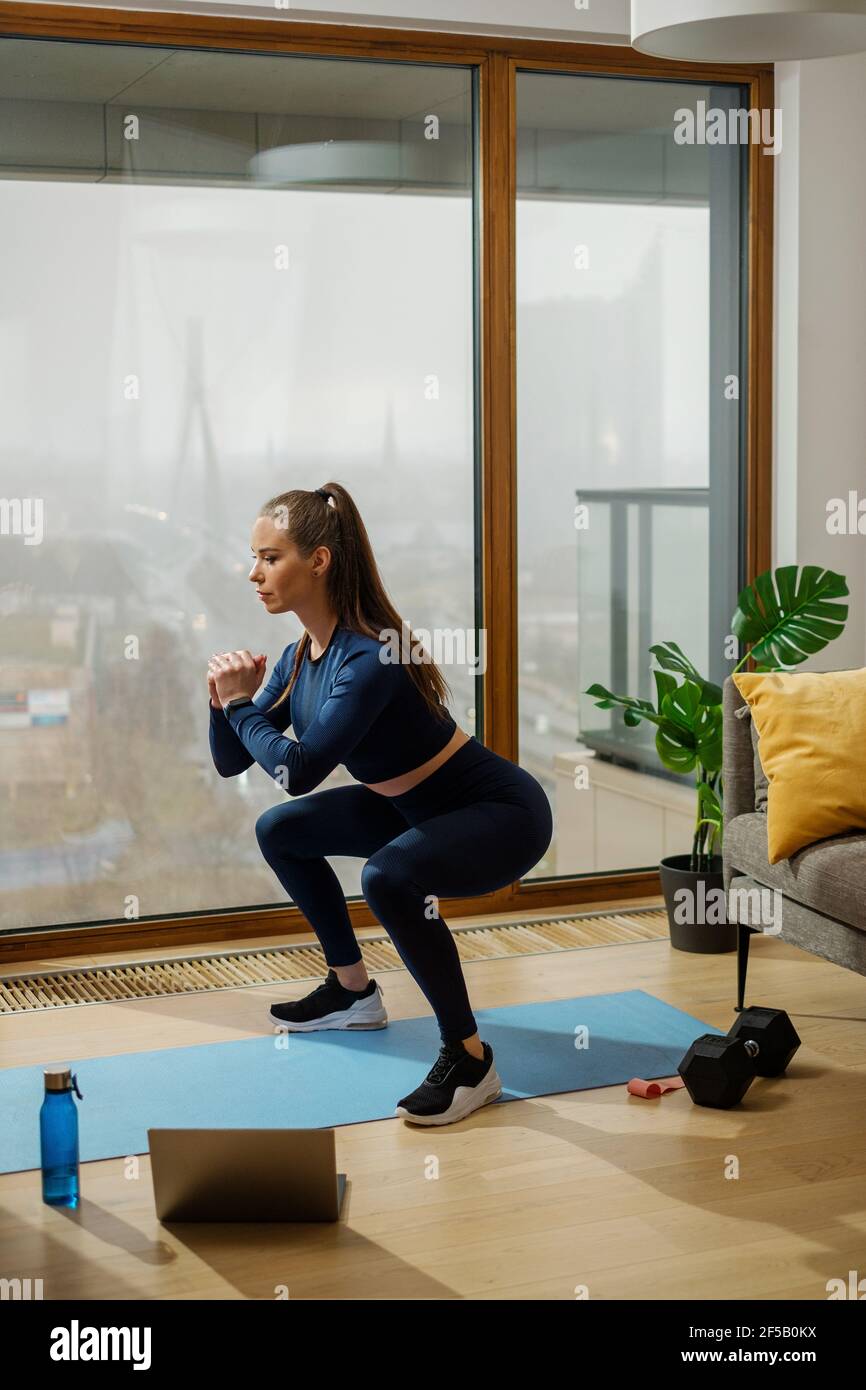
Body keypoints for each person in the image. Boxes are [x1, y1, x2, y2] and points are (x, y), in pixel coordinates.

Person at [207, 482, 552, 1126]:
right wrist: (220, 699)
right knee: (281, 831)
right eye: (252, 556)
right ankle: (352, 992)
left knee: (389, 876)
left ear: (319, 561)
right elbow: (233, 760)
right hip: (411, 808)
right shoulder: (298, 656)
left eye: (270, 557)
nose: (253, 574)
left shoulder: (367, 658)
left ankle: (471, 1061)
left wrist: (237, 705)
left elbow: (299, 769)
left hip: (499, 815)